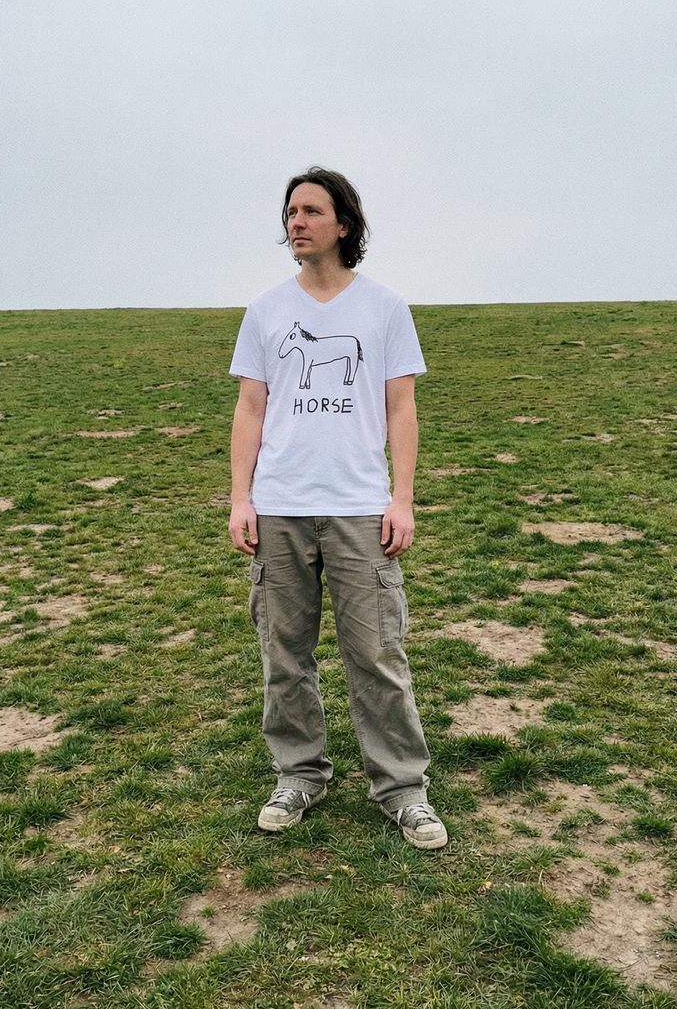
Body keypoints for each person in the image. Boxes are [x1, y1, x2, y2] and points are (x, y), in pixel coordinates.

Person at [227, 166, 446, 850]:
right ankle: (300, 773)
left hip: (356, 505)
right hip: (281, 507)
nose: (296, 222)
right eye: (291, 212)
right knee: (283, 653)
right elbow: (251, 406)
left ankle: (403, 789)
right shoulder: (266, 311)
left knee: (376, 653)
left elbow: (401, 406)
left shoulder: (383, 308)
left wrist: (401, 498)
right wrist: (241, 497)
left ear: (343, 225)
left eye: (311, 211)